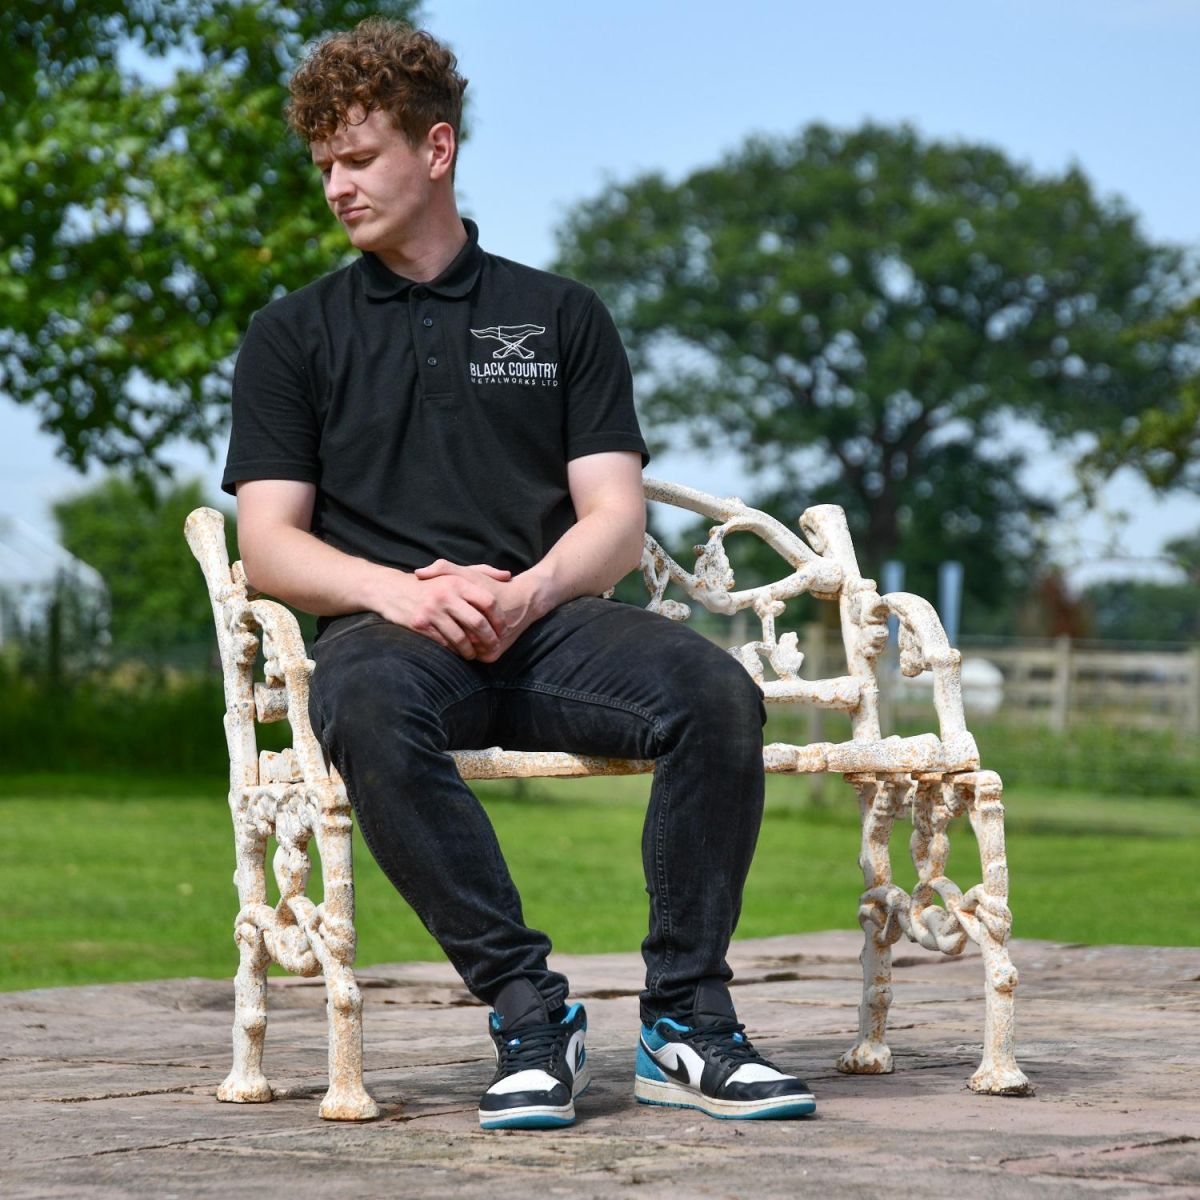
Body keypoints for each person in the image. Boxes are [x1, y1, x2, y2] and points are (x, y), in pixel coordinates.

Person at [222, 17, 815, 1130]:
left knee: (714, 695)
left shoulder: (559, 316)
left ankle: (686, 1021)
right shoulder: (291, 336)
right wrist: (402, 592)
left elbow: (612, 519)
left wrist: (526, 591)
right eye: (324, 168)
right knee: (358, 701)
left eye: (358, 159)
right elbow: (270, 544)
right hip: (389, 638)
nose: (336, 188)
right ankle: (527, 1013)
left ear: (435, 150)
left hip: (547, 627)